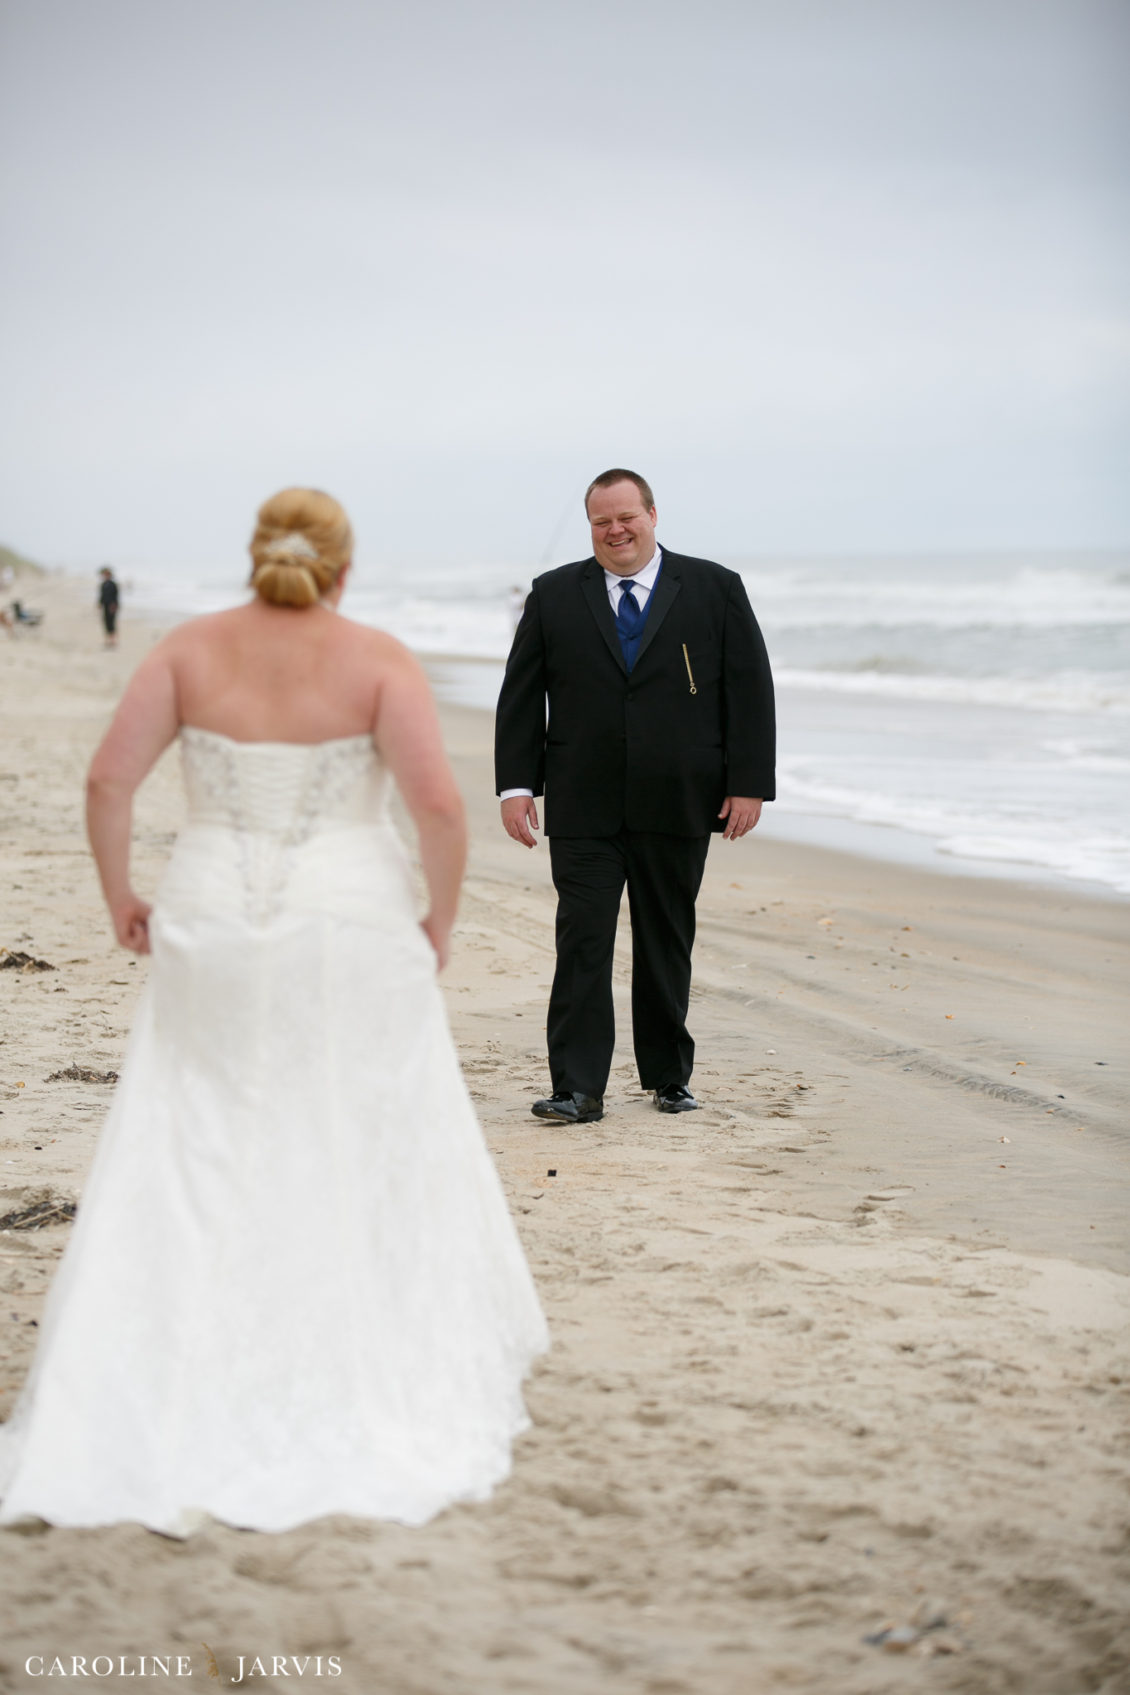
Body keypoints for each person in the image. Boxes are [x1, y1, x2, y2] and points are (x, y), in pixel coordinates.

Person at [0, 488, 547, 1535]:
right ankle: (350, 1349)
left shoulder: (188, 651)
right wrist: (438, 916)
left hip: (207, 912)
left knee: (196, 1131)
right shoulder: (378, 657)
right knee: (352, 1126)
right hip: (348, 923)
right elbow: (436, 804)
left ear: (257, 556)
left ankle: (169, 1355)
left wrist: (121, 895)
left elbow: (108, 780)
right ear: (343, 568)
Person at [494, 468, 775, 1124]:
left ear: (652, 514)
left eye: (627, 517)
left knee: (664, 939)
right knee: (583, 940)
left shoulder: (713, 587)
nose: (616, 530)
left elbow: (749, 689)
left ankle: (669, 1075)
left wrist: (748, 784)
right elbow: (520, 694)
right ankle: (577, 1088)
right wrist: (516, 785)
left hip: (680, 796)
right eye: (601, 521)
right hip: (583, 800)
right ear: (589, 524)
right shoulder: (555, 593)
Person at [97, 566, 120, 648]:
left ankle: (113, 640)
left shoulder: (113, 585)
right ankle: (107, 640)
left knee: (112, 622)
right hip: (105, 606)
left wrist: (114, 605)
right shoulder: (103, 584)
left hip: (112, 606)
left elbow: (116, 596)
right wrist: (99, 604)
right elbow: (101, 596)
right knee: (106, 622)